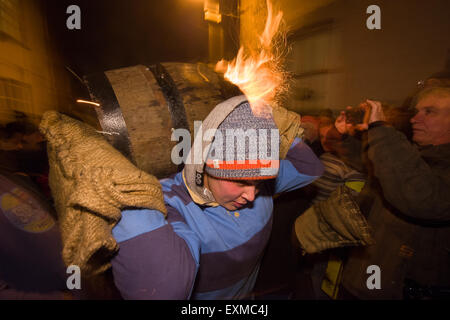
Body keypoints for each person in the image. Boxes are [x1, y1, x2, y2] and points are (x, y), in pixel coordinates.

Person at [110, 95, 324, 299]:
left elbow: (310, 167)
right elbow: (163, 291)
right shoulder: (171, 204)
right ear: (206, 164)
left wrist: (285, 132)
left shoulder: (262, 182)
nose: (252, 195)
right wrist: (127, 202)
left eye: (258, 182)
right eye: (241, 182)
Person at [340, 86, 450, 299]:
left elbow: (422, 197)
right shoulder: (420, 156)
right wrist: (353, 136)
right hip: (369, 280)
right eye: (416, 112)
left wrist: (381, 130)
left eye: (430, 112)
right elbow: (380, 171)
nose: (414, 119)